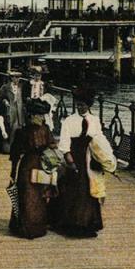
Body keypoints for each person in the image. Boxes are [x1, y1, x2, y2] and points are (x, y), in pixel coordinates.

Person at [50, 87, 108, 237]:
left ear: (89, 105)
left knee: (89, 188)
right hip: (75, 155)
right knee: (73, 188)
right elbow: (64, 141)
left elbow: (99, 139)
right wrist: (69, 158)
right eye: (78, 105)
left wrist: (103, 158)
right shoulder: (69, 121)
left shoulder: (94, 120)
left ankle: (87, 222)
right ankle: (71, 222)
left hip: (89, 156)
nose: (80, 107)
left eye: (83, 105)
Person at [8, 99, 58, 239]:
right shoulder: (22, 131)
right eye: (38, 115)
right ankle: (26, 227)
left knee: (39, 194)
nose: (41, 118)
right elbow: (15, 154)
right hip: (27, 165)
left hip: (42, 164)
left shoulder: (46, 129)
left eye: (42, 115)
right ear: (31, 116)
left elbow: (52, 144)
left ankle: (38, 226)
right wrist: (12, 173)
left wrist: (52, 152)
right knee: (27, 194)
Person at [0, 71, 26, 153]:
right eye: (15, 77)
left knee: (19, 127)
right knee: (9, 126)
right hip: (9, 109)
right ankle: (7, 146)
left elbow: (25, 97)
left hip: (19, 109)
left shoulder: (21, 87)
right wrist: (5, 101)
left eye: (18, 77)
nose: (17, 79)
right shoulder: (5, 87)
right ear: (11, 78)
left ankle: (18, 147)